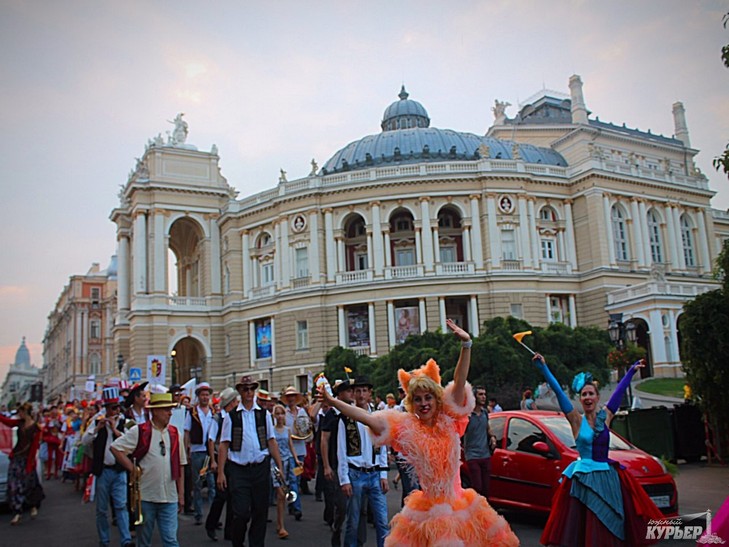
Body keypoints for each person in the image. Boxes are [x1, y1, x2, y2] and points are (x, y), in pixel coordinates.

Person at [319, 319, 518, 546]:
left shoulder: (450, 420)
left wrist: (466, 345)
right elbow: (365, 417)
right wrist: (333, 401)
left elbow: (460, 381)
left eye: (428, 397)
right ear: (412, 403)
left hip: (460, 507)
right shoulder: (407, 429)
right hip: (426, 511)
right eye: (418, 399)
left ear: (437, 398)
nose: (424, 403)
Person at [532, 353, 664, 546]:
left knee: (611, 523)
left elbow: (619, 392)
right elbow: (559, 391)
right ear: (580, 398)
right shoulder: (576, 420)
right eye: (584, 394)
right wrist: (543, 368)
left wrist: (630, 372)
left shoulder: (606, 416)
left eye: (590, 394)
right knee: (587, 527)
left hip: (608, 478)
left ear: (597, 396)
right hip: (584, 480)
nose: (587, 397)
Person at [111, 392, 187, 547]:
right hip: (146, 496)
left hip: (169, 497)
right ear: (155, 411)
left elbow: (181, 465)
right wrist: (133, 469)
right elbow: (116, 448)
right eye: (166, 409)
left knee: (171, 541)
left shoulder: (175, 433)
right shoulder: (140, 431)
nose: (170, 413)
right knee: (144, 542)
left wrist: (181, 494)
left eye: (170, 409)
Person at [217, 375, 284, 547]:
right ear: (240, 392)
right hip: (239, 469)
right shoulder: (231, 417)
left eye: (252, 389)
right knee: (241, 512)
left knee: (260, 512)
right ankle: (237, 542)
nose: (249, 392)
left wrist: (279, 465)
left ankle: (256, 544)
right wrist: (221, 472)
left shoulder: (263, 415)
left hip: (260, 467)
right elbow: (224, 444)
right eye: (245, 389)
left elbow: (271, 441)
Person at [336, 375, 389, 547]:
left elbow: (382, 446)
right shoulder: (346, 418)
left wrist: (383, 474)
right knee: (353, 520)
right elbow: (341, 450)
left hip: (374, 473)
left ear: (369, 393)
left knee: (382, 520)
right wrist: (344, 479)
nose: (360, 394)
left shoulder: (378, 416)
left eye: (364, 391)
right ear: (353, 393)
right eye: (357, 391)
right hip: (355, 473)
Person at [82, 386, 133, 547]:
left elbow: (130, 442)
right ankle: (104, 540)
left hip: (119, 470)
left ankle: (126, 539)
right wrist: (97, 429)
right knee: (102, 509)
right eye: (112, 408)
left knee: (121, 505)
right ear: (106, 409)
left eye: (118, 407)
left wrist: (114, 430)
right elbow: (84, 441)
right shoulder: (97, 421)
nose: (116, 410)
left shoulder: (125, 422)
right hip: (103, 471)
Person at [320, 379, 354, 547]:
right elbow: (324, 440)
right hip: (336, 463)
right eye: (348, 391)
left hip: (354, 463)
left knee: (355, 506)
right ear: (339, 394)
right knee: (341, 505)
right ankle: (337, 528)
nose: (352, 394)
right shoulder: (331, 414)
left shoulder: (354, 412)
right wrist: (326, 465)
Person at [0, 402, 44, 525]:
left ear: (26, 413)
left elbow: (34, 447)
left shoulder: (35, 428)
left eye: (21, 412)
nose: (19, 415)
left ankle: (33, 506)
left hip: (27, 460)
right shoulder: (19, 423)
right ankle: (17, 513)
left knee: (29, 485)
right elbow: (7, 422)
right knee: (14, 486)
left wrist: (31, 463)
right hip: (16, 458)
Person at [205, 387, 238, 542]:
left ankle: (230, 531)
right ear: (230, 403)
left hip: (233, 460)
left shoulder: (234, 417)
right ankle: (210, 524)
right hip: (221, 459)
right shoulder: (218, 418)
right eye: (235, 401)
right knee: (221, 496)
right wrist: (213, 461)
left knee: (232, 497)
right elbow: (211, 440)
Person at [184, 381, 216, 526]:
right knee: (197, 484)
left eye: (207, 395)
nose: (205, 397)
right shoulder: (192, 413)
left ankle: (213, 513)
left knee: (211, 483)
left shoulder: (213, 412)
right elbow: (186, 432)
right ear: (198, 396)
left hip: (210, 452)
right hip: (197, 451)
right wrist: (186, 451)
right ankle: (198, 513)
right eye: (202, 395)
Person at [271, 403, 301, 539]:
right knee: (280, 494)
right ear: (274, 416)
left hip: (287, 462)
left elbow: (291, 446)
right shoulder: (271, 430)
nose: (280, 416)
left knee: (283, 494)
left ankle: (279, 523)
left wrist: (296, 459)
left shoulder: (287, 430)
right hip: (275, 465)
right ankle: (281, 526)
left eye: (282, 413)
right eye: (277, 413)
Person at [282, 385, 310, 519]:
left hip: (300, 450)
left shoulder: (302, 412)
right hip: (289, 449)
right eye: (289, 397)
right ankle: (297, 508)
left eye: (293, 396)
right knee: (293, 479)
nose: (291, 399)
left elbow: (306, 428)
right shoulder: (284, 412)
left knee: (297, 480)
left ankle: (292, 504)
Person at [463, 385, 497, 498]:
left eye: (484, 394)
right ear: (474, 396)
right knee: (478, 487)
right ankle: (474, 511)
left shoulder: (485, 413)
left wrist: (492, 437)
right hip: (472, 456)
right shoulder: (467, 415)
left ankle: (484, 512)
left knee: (486, 490)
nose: (483, 397)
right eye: (480, 394)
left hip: (485, 454)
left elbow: (487, 428)